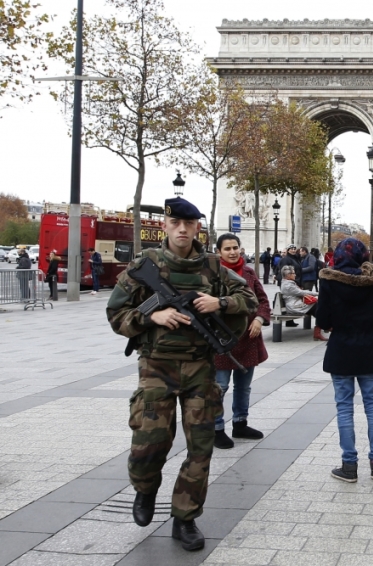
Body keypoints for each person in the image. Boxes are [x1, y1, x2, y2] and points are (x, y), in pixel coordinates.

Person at [105, 197, 258, 551]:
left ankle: (185, 518)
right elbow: (116, 315)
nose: (183, 230)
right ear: (166, 226)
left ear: (197, 228)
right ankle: (145, 491)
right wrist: (151, 317)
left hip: (200, 371)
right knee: (149, 446)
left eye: (190, 224)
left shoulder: (214, 267)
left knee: (201, 448)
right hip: (155, 369)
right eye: (176, 224)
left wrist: (219, 303)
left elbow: (249, 298)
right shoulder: (145, 265)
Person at [316, 238, 373, 482]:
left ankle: (349, 466)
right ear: (363, 256)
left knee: (344, 407)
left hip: (340, 351)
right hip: (368, 349)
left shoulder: (329, 281)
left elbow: (323, 321)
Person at [213, 233, 270, 450]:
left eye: (235, 247)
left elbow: (263, 300)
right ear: (219, 252)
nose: (232, 252)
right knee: (221, 386)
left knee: (243, 387)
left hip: (248, 338)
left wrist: (259, 318)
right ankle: (217, 428)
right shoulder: (212, 275)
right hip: (222, 340)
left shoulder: (249, 272)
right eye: (227, 249)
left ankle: (240, 423)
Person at [279, 265, 326, 341]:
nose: (295, 275)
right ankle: (322, 328)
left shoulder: (288, 283)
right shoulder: (288, 285)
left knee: (318, 308)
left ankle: (321, 329)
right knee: (318, 307)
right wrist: (317, 293)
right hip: (294, 306)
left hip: (296, 304)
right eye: (293, 273)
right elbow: (302, 292)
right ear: (288, 275)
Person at [277, 245, 302, 326]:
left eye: (294, 249)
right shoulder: (286, 259)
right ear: (288, 250)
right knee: (290, 300)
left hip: (295, 282)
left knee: (293, 300)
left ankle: (290, 320)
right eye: (291, 249)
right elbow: (285, 272)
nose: (293, 250)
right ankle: (289, 320)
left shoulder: (295, 258)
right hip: (289, 283)